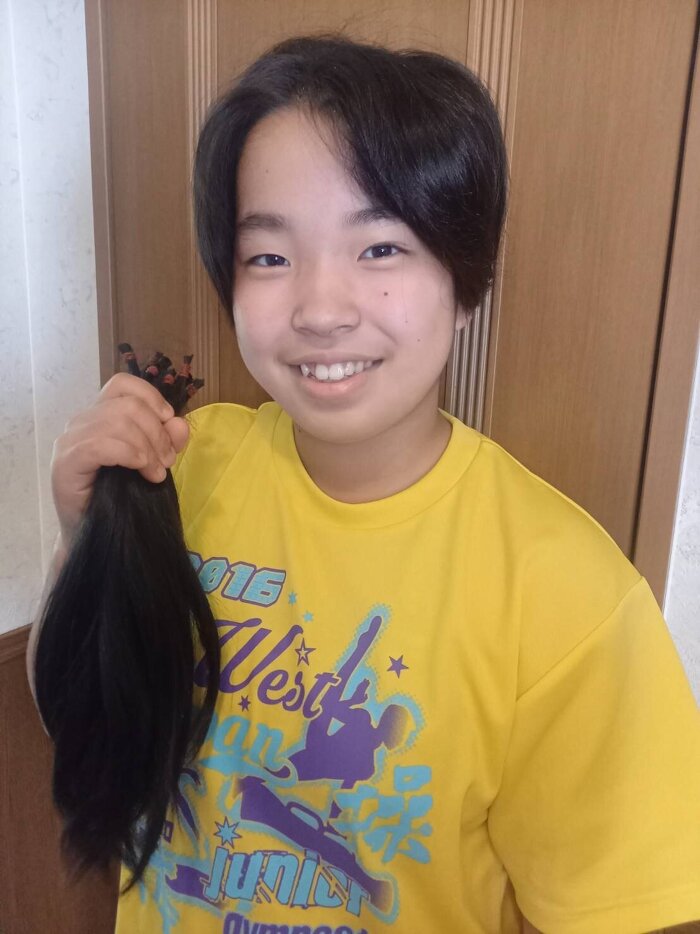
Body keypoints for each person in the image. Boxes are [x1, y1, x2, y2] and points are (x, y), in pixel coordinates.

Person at [28, 34, 700, 934]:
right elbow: (78, 715)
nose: (320, 309)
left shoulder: (567, 595)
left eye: (380, 247)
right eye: (270, 257)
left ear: (465, 281)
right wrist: (82, 539)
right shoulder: (182, 467)